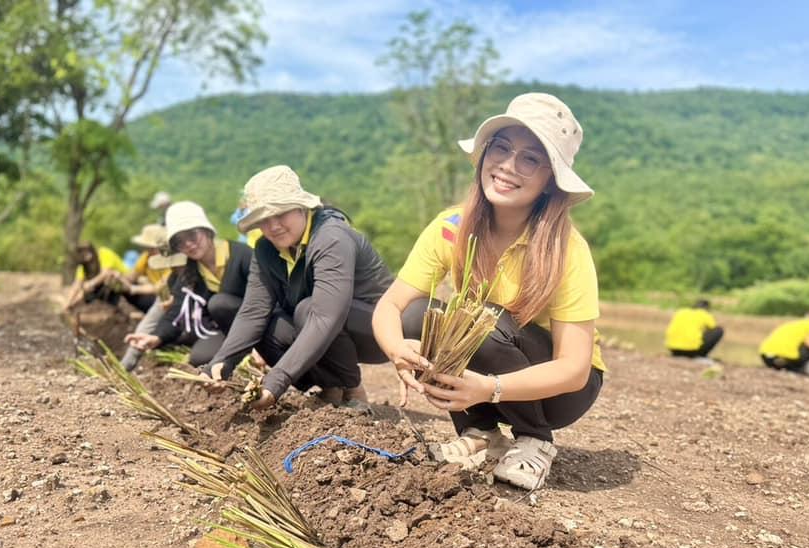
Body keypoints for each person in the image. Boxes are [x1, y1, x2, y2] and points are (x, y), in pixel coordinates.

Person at [371, 93, 606, 492]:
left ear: (550, 180)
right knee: (419, 317)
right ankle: (483, 434)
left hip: (562, 393)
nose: (508, 166)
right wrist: (397, 350)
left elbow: (575, 368)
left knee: (484, 318)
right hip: (494, 363)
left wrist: (490, 389)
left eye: (530, 158)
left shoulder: (567, 248)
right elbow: (391, 306)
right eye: (501, 148)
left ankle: (535, 440)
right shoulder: (451, 227)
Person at [202, 165, 393, 410]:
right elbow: (253, 310)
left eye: (281, 214)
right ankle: (330, 386)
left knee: (307, 310)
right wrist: (222, 361)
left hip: (378, 332)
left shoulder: (330, 237)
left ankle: (352, 388)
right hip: (324, 326)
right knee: (276, 325)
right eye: (263, 220)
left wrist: (275, 382)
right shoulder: (266, 249)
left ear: (302, 207)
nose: (273, 226)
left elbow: (327, 316)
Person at [124, 201, 252, 367]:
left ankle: (253, 347)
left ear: (207, 231)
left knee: (219, 304)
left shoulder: (242, 255)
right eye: (180, 242)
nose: (188, 244)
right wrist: (156, 337)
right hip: (226, 330)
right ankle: (240, 351)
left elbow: (265, 298)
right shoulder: (191, 271)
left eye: (192, 235)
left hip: (255, 321)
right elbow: (176, 311)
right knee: (199, 357)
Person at [118, 224, 175, 370]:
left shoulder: (173, 261)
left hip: (168, 297)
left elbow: (162, 287)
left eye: (152, 249)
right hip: (160, 299)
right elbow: (131, 277)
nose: (149, 252)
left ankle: (124, 368)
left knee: (144, 328)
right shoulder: (145, 258)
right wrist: (119, 279)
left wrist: (134, 288)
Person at [64, 243, 132, 311]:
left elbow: (105, 273)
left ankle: (117, 306)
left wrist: (90, 284)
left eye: (86, 253)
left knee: (109, 278)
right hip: (102, 288)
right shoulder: (83, 266)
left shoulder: (104, 253)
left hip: (125, 280)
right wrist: (68, 302)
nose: (86, 256)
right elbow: (76, 284)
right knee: (86, 290)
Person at [759, 311, 809, 375]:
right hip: (783, 359)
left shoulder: (794, 324)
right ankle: (799, 368)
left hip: (766, 357)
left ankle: (788, 366)